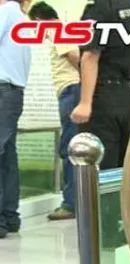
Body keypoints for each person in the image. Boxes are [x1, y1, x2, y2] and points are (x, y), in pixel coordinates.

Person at [70, 0, 130, 171]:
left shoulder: (99, 7)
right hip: (127, 95)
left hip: (103, 98)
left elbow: (90, 56)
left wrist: (85, 103)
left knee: (97, 169)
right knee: (122, 170)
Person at [28, 1, 80, 220]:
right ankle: (77, 202)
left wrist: (84, 77)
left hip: (71, 90)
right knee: (73, 147)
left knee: (70, 149)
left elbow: (75, 57)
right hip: (72, 91)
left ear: (39, 21)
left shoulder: (58, 30)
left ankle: (71, 204)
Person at [0, 0, 31, 238]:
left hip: (2, 90)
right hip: (13, 92)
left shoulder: (6, 12)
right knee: (7, 155)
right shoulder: (21, 17)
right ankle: (10, 217)